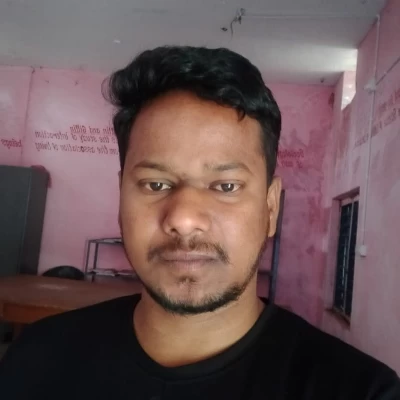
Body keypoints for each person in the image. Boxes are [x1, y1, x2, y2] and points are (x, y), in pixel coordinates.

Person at [0, 46, 399, 400]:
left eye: (226, 186)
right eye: (155, 184)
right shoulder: (37, 358)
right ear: (121, 196)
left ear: (271, 208)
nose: (184, 219)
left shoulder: (361, 391)